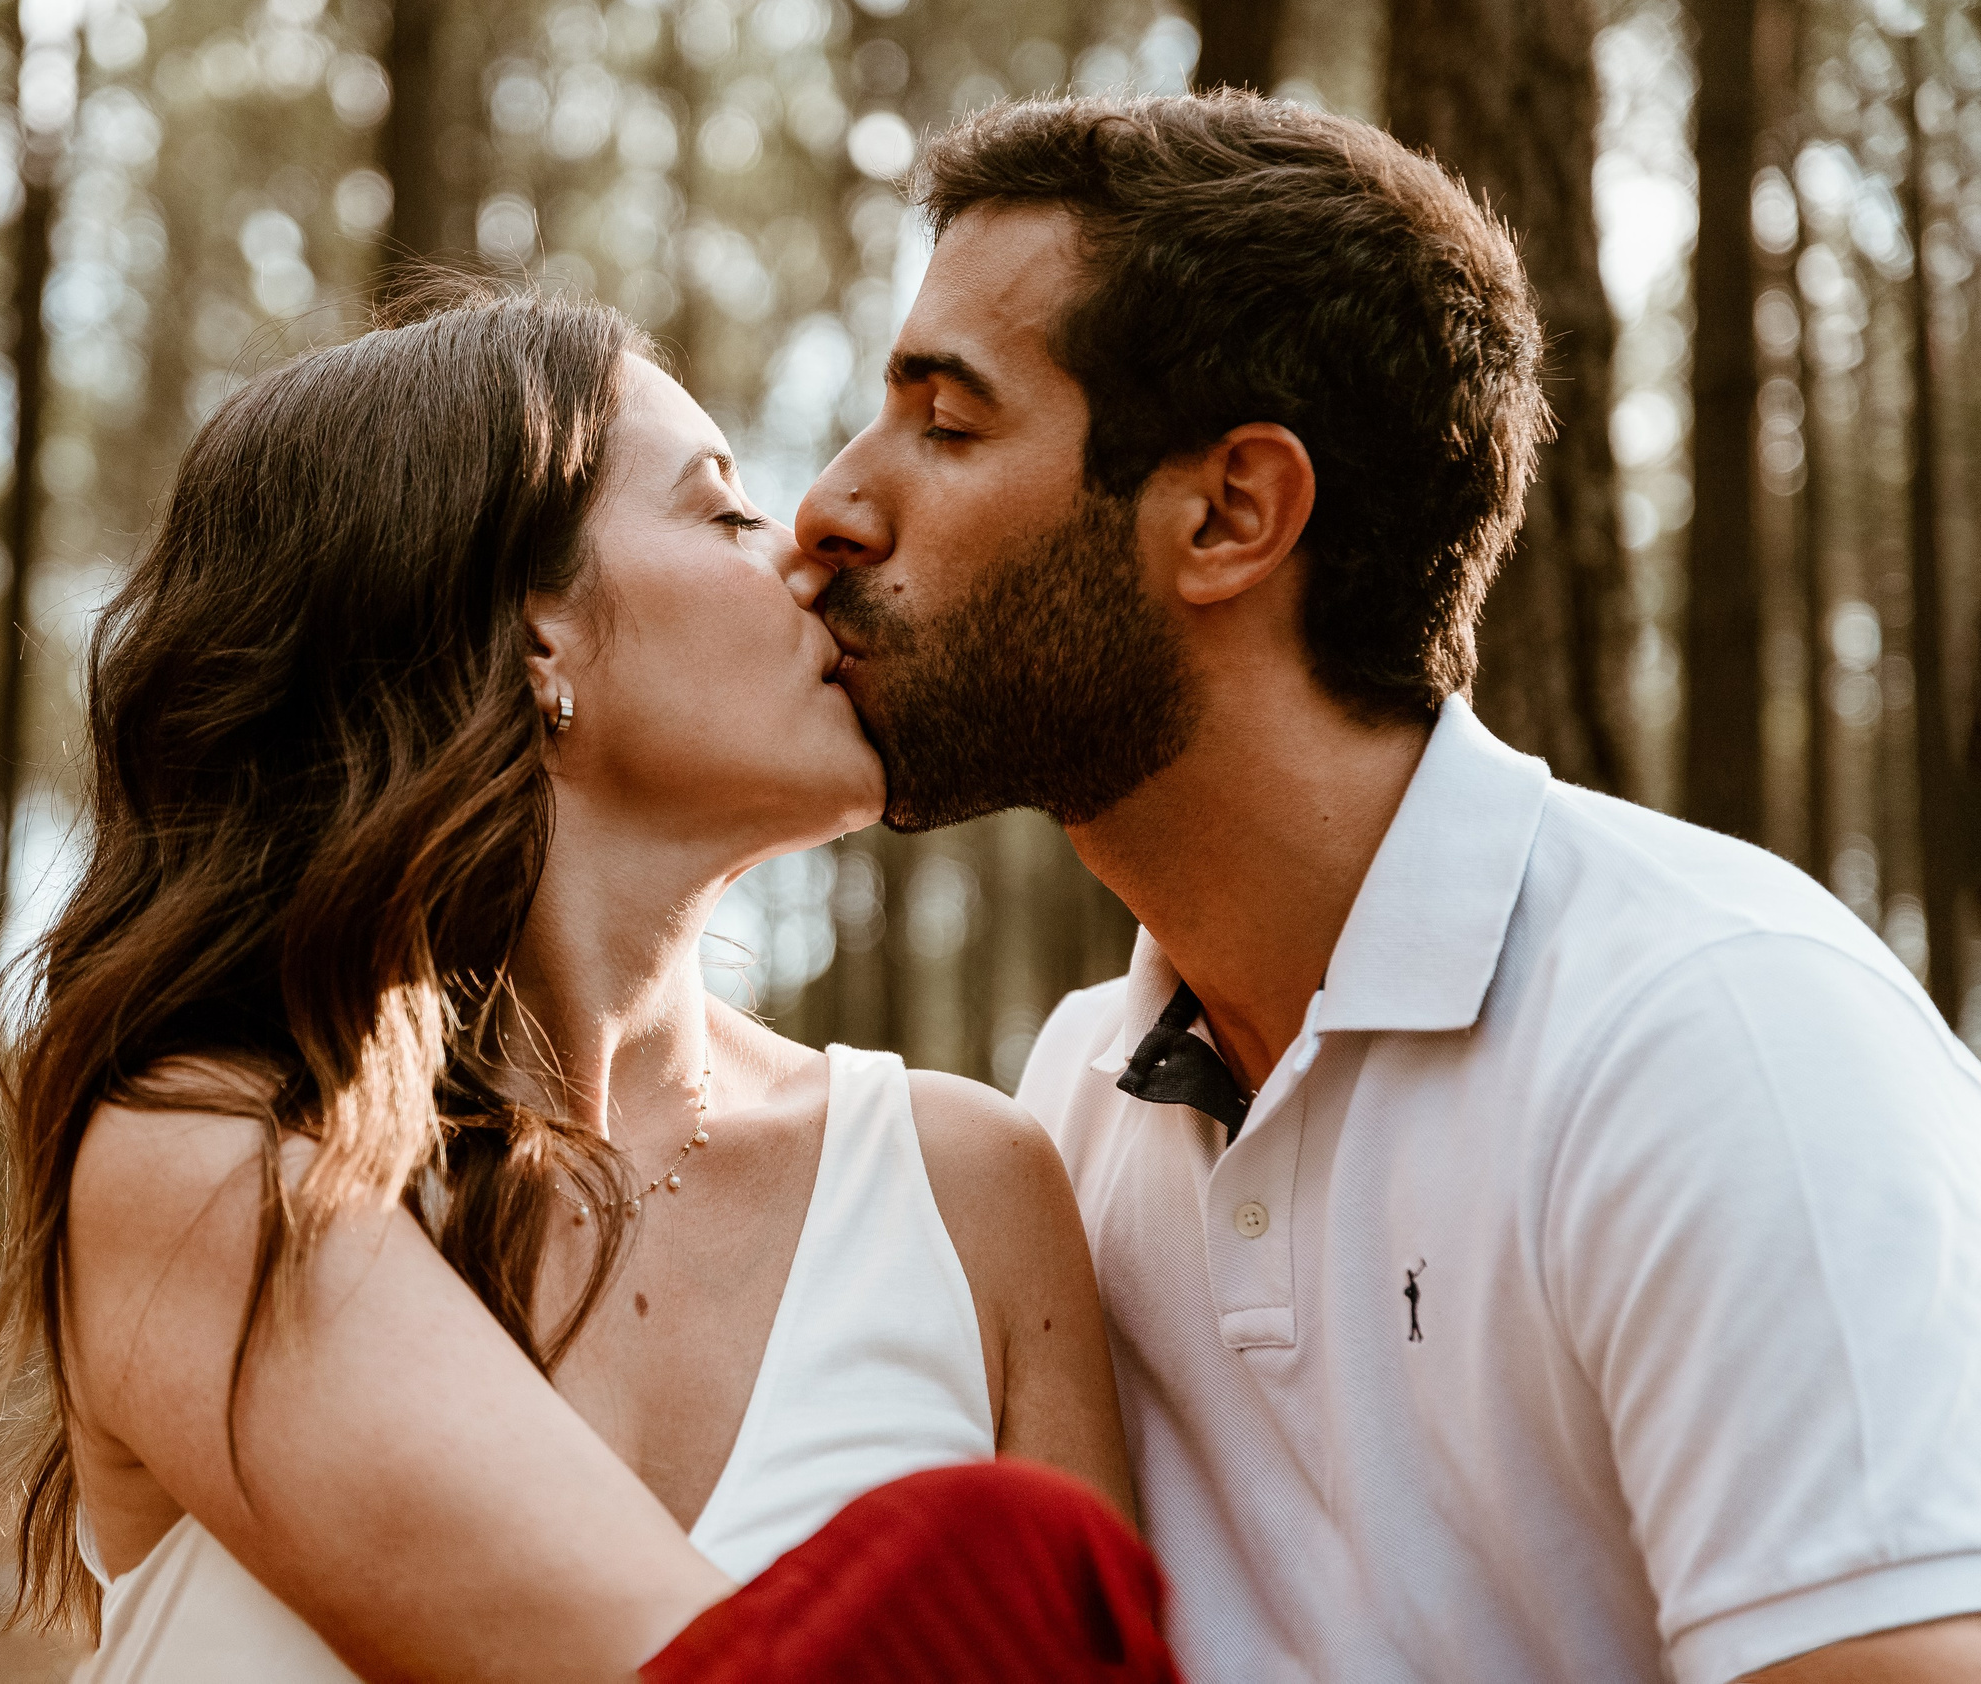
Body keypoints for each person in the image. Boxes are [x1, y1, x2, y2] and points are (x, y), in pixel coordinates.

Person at [793, 89, 1981, 1684]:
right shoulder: (1076, 1099)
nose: (829, 510)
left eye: (947, 424)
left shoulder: (1717, 1038)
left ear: (1230, 514)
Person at [0, 291, 1151, 1681]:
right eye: (723, 511)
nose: (809, 548)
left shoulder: (971, 1190)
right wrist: (994, 1566)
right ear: (536, 637)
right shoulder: (215, 1163)